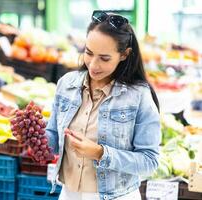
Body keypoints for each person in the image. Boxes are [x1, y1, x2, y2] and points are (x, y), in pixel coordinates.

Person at [45, 10, 161, 200]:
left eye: (104, 58)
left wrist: (100, 153)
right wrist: (34, 137)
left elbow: (149, 161)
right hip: (69, 193)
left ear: (124, 55)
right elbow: (54, 139)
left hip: (115, 196)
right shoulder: (67, 84)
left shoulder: (138, 95)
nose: (93, 65)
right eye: (88, 53)